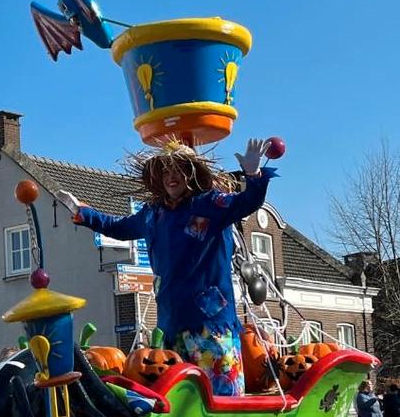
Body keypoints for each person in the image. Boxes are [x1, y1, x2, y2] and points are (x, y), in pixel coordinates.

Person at [57, 137, 275, 396]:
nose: (171, 176)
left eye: (178, 169)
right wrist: (83, 212)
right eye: (166, 170)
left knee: (220, 398)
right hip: (171, 324)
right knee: (179, 401)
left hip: (210, 324)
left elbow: (246, 203)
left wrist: (254, 175)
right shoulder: (153, 214)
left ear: (191, 173)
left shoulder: (209, 204)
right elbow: (118, 227)